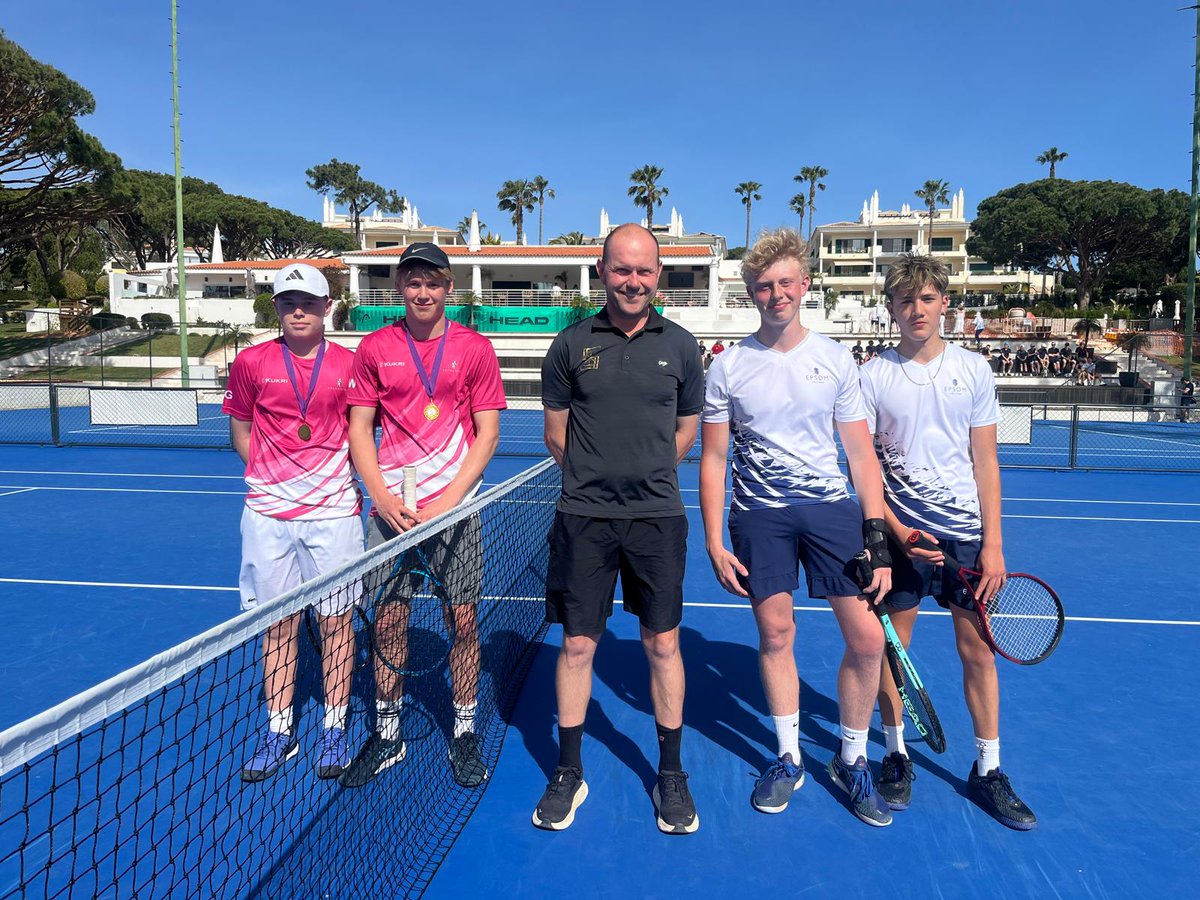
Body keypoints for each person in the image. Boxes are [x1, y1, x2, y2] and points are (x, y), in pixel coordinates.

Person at [698, 228, 895, 827]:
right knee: (776, 633)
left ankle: (852, 757)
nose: (776, 293)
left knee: (868, 640)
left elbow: (861, 455)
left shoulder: (835, 358)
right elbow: (712, 459)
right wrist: (710, 539)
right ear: (750, 293)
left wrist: (877, 536)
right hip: (758, 516)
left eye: (785, 282)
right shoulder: (727, 367)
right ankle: (788, 757)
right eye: (764, 285)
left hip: (831, 512)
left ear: (804, 286)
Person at [534, 223, 705, 834]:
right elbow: (557, 435)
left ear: (657, 275)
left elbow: (686, 433)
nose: (634, 281)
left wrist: (645, 475)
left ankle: (671, 773)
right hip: (583, 518)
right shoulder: (569, 345)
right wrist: (596, 480)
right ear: (602, 271)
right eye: (622, 269)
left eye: (644, 270)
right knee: (578, 645)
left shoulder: (683, 348)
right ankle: (569, 770)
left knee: (663, 644)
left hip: (658, 519)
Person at [859, 254, 1037, 831]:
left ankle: (988, 769)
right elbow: (865, 469)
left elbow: (986, 460)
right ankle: (895, 754)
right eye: (905, 300)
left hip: (965, 539)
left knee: (979, 651)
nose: (917, 310)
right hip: (901, 536)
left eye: (927, 298)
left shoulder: (975, 370)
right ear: (891, 307)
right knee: (896, 654)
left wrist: (994, 544)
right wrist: (898, 533)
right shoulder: (872, 375)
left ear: (944, 304)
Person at [341, 243, 507, 789]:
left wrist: (451, 500)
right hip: (392, 512)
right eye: (413, 282)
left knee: (463, 622)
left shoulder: (475, 348)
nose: (423, 292)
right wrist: (383, 498)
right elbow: (360, 428)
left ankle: (462, 729)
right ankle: (387, 735)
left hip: (454, 513)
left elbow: (487, 435)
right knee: (388, 622)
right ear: (399, 288)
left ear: (449, 288)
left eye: (433, 282)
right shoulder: (374, 348)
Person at [223, 263, 362, 783]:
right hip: (267, 515)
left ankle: (333, 726)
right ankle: (279, 730)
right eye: (287, 302)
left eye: (307, 302)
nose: (297, 311)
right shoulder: (252, 363)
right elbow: (242, 428)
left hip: (333, 514)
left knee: (335, 624)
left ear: (328, 307)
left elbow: (362, 433)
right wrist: (267, 478)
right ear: (276, 308)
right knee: (277, 626)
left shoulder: (350, 365)